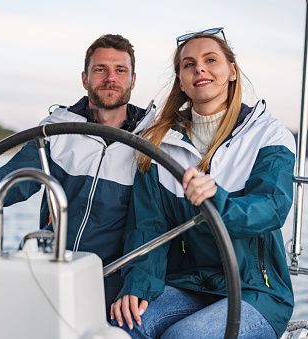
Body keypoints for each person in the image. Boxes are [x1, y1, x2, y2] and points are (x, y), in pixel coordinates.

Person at [0, 34, 155, 339]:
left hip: (112, 276)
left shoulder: (155, 139)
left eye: (120, 70)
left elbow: (157, 221)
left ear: (133, 80)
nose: (110, 78)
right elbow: (17, 178)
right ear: (84, 78)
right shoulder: (57, 128)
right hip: (50, 262)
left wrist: (139, 284)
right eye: (100, 69)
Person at [110, 27, 295, 339]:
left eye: (211, 60)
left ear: (232, 72)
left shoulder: (268, 135)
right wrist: (138, 285)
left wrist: (217, 201)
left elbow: (271, 209)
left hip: (256, 292)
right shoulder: (158, 144)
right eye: (188, 64)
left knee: (183, 337)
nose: (200, 68)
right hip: (190, 283)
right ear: (181, 81)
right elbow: (148, 227)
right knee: (125, 326)